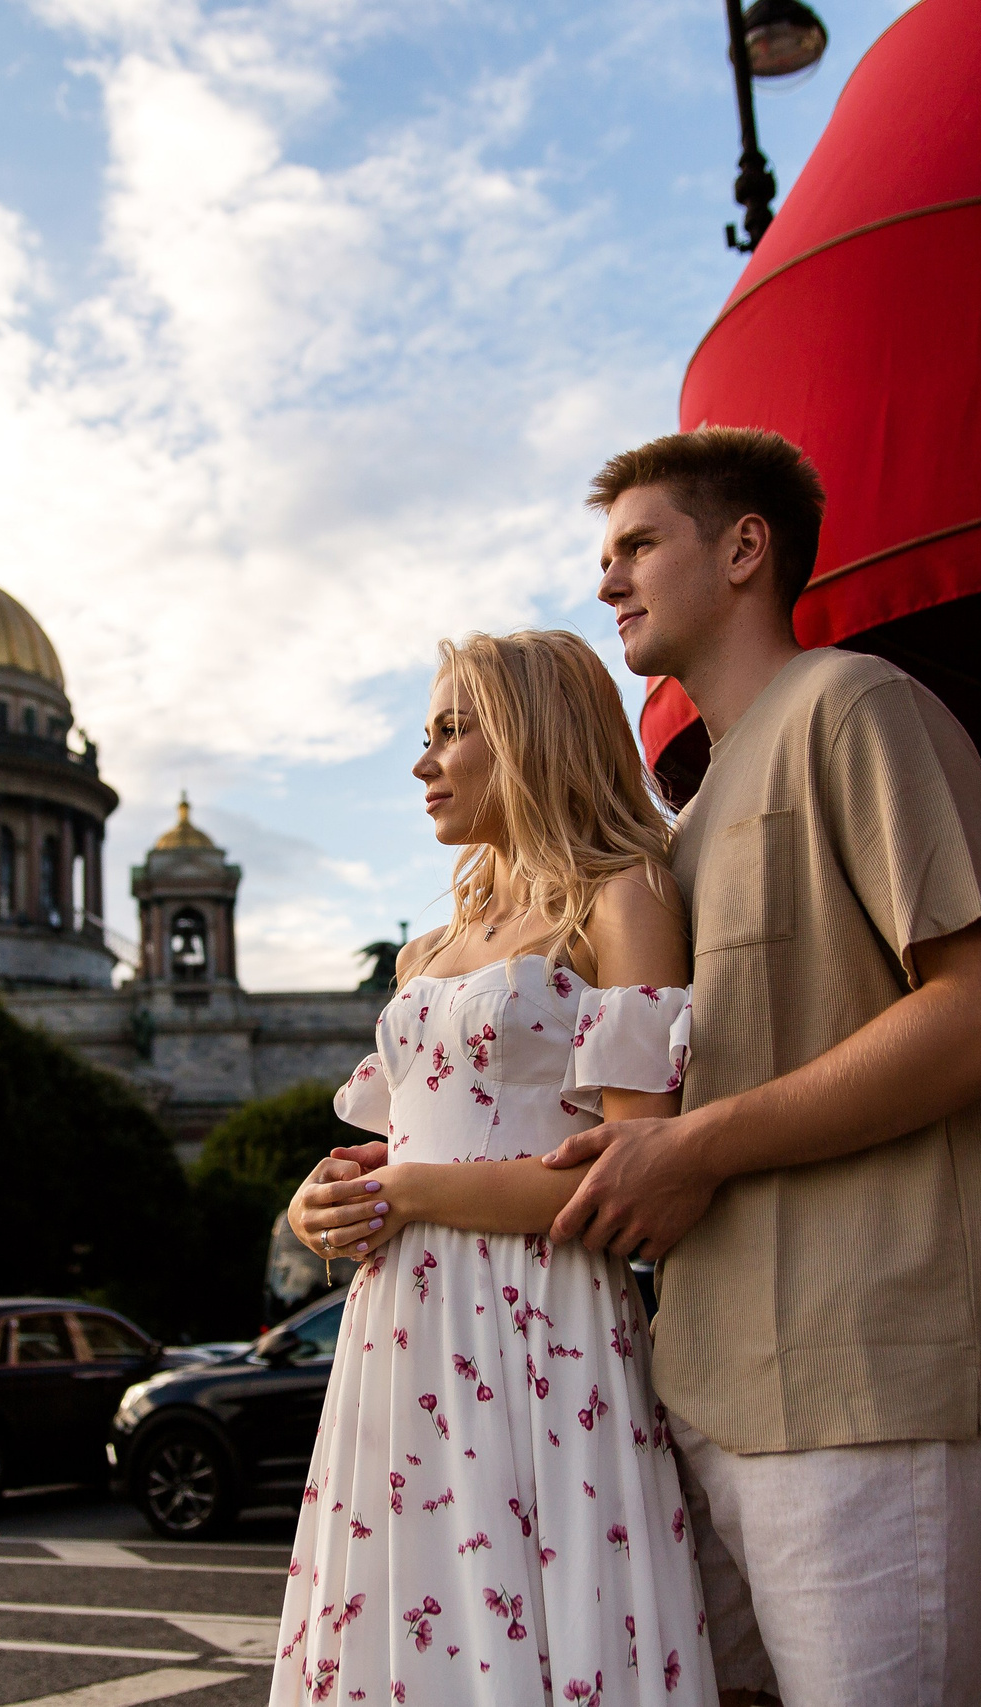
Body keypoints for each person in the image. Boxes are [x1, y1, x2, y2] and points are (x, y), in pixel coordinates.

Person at [538, 426, 981, 1707]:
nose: (607, 582)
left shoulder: (855, 704)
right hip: (708, 1383)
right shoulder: (693, 814)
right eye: (602, 558)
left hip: (867, 1372)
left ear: (744, 548)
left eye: (637, 546)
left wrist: (694, 1145)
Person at [277, 629, 718, 1707]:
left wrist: (407, 1192)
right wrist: (319, 1203)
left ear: (530, 735)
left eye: (450, 731)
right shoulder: (428, 952)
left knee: (544, 1628)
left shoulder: (623, 898)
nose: (423, 763)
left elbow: (624, 1174)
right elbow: (412, 1145)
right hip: (398, 1336)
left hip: (540, 1324)